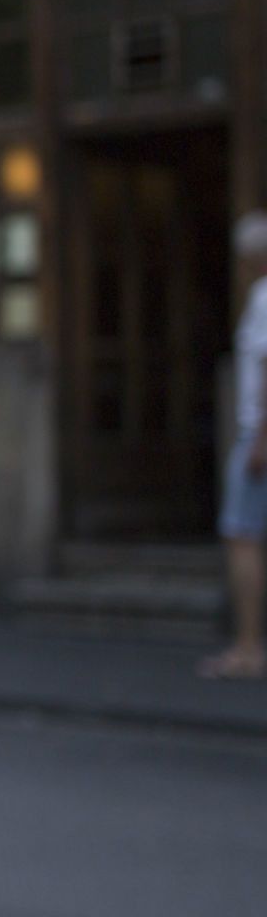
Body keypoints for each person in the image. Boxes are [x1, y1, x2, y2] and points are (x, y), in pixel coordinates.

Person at [203, 211, 267, 679]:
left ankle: (248, 646)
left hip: (259, 432)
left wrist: (261, 437)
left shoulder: (264, 298)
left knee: (243, 534)